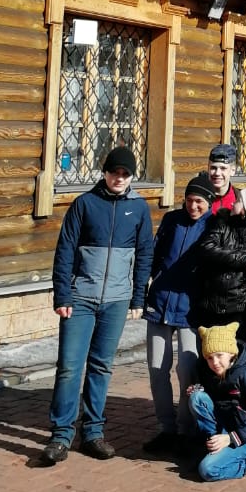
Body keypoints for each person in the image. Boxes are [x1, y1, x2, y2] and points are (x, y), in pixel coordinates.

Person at [40, 146, 154, 465]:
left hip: (116, 301)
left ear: (132, 177)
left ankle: (93, 433)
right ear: (104, 173)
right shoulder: (84, 204)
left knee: (102, 365)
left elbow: (145, 254)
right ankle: (61, 435)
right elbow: (64, 252)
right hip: (80, 299)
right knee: (69, 367)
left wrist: (138, 298)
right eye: (114, 172)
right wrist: (62, 295)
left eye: (125, 174)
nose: (119, 178)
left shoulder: (139, 209)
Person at [142, 175, 215, 455]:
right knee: (157, 369)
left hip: (190, 308)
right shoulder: (172, 220)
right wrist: (144, 291)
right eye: (189, 200)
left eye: (199, 201)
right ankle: (167, 429)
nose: (193, 206)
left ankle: (186, 429)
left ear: (209, 203)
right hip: (160, 304)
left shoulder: (213, 225)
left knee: (187, 370)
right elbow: (154, 256)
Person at [186, 322, 246, 481]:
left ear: (231, 353)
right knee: (197, 398)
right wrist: (199, 388)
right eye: (209, 358)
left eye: (219, 355)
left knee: (208, 470)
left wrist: (231, 438)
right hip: (224, 427)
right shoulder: (206, 369)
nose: (215, 362)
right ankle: (214, 446)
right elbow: (213, 399)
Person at [194, 191, 246, 344]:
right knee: (211, 353)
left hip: (240, 307)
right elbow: (207, 248)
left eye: (238, 201)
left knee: (237, 353)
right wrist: (245, 259)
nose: (232, 203)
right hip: (213, 302)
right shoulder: (223, 224)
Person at [196, 142, 239, 215]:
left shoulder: (239, 200)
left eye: (223, 168)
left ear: (233, 171)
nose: (217, 173)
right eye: (213, 168)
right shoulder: (197, 198)